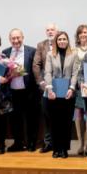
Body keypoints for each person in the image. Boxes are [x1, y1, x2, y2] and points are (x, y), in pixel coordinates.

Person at [43, 31, 80, 158]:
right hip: (53, 92)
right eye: (59, 39)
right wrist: (49, 88)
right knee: (54, 122)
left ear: (67, 40)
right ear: (56, 42)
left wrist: (72, 88)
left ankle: (64, 149)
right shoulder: (50, 54)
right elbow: (48, 72)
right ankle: (55, 149)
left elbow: (75, 73)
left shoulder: (74, 54)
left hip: (68, 93)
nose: (62, 41)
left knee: (66, 122)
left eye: (64, 39)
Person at [3, 28, 38, 154]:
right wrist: (8, 75)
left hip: (29, 90)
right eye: (13, 38)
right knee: (15, 118)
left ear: (22, 37)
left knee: (31, 118)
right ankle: (18, 143)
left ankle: (31, 142)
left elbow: (37, 70)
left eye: (18, 38)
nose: (16, 40)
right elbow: (3, 71)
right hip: (12, 91)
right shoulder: (5, 53)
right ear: (10, 39)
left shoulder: (32, 51)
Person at [34, 23, 57, 153]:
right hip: (45, 87)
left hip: (60, 85)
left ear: (56, 31)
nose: (50, 32)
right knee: (47, 115)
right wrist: (41, 81)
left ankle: (58, 142)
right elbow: (36, 65)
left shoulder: (62, 42)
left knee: (59, 115)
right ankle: (48, 143)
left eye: (52, 29)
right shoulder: (41, 45)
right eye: (47, 30)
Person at [73, 24, 87, 155]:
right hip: (77, 86)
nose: (83, 34)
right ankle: (80, 144)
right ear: (78, 35)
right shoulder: (73, 50)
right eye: (80, 33)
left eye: (85, 32)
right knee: (78, 115)